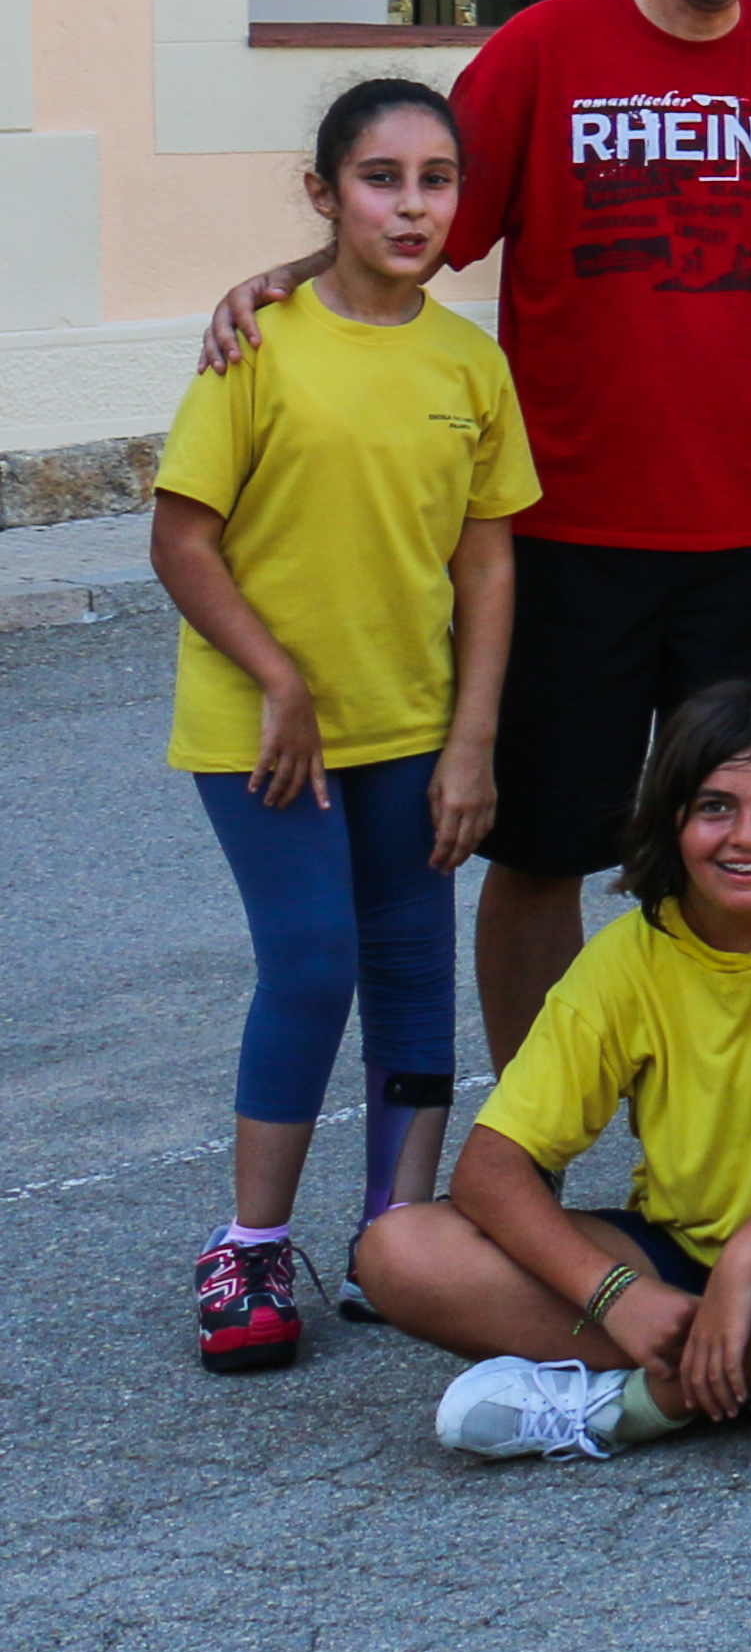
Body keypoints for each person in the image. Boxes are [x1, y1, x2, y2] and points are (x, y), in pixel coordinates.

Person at [203, 0, 751, 1067]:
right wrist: (291, 274)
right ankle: (532, 1131)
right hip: (567, 533)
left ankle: (723, 1124)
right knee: (538, 852)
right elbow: (421, 223)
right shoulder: (542, 50)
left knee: (747, 852)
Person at [154, 77, 531, 1368]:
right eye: (381, 178)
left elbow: (487, 563)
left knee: (414, 975)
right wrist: (281, 679)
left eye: (436, 180)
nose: (411, 206)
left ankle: (396, 1231)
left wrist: (471, 741)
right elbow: (182, 538)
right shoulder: (257, 344)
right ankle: (251, 1245)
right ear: (324, 195)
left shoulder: (469, 365)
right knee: (315, 963)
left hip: (408, 729)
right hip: (267, 732)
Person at [351, 686, 751, 1459]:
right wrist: (615, 1296)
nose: (748, 837)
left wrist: (749, 1257)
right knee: (396, 1250)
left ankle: (643, 1404)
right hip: (667, 1259)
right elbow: (489, 1170)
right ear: (669, 818)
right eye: (715, 807)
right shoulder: (626, 957)